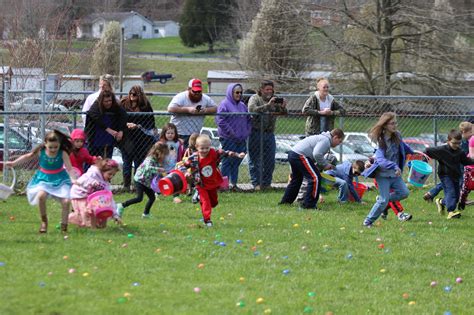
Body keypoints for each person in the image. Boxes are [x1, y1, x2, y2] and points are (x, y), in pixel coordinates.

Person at [4, 130, 77, 233]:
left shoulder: (62, 153)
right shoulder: (41, 151)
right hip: (44, 178)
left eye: (56, 147)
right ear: (45, 144)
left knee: (66, 202)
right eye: (50, 147)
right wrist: (14, 163)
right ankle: (44, 222)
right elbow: (27, 156)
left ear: (59, 144)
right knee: (41, 196)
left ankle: (64, 226)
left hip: (59, 178)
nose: (53, 149)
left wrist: (73, 179)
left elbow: (69, 168)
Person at [361, 112, 415, 227]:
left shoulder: (397, 135)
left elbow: (403, 146)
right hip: (383, 174)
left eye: (396, 123)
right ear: (385, 125)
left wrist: (413, 152)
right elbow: (380, 159)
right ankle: (368, 221)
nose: (395, 126)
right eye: (392, 123)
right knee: (384, 200)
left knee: (404, 193)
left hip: (395, 175)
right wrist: (394, 166)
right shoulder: (381, 140)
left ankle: (382, 200)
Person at [179, 135, 245, 227]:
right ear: (197, 147)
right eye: (202, 148)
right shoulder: (194, 158)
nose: (205, 150)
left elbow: (225, 152)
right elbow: (182, 165)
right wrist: (186, 172)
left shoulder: (213, 153)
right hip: (201, 184)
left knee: (214, 202)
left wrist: (238, 155)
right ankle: (207, 220)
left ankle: (200, 198)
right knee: (206, 202)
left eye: (207, 148)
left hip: (213, 183)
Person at [279, 128, 344, 209]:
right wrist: (325, 165)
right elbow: (316, 154)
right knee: (315, 178)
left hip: (293, 154)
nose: (339, 144)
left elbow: (314, 155)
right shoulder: (326, 140)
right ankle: (309, 205)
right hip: (300, 155)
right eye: (340, 141)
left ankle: (286, 202)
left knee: (297, 179)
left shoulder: (323, 138)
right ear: (335, 137)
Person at [248, 80, 288, 191]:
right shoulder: (255, 98)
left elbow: (284, 113)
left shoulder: (275, 99)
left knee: (270, 160)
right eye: (267, 89)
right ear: (261, 90)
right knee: (255, 159)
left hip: (269, 133)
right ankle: (256, 184)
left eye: (271, 89)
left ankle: (267, 183)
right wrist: (267, 105)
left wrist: (283, 107)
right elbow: (252, 110)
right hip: (256, 132)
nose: (269, 91)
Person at [425, 129, 474, 219]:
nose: (457, 145)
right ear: (448, 141)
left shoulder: (460, 152)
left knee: (456, 197)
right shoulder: (442, 150)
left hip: (456, 175)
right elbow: (427, 151)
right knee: (450, 193)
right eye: (454, 143)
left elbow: (466, 161)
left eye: (459, 143)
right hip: (445, 175)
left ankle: (441, 202)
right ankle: (451, 212)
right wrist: (424, 160)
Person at [117, 142, 169, 219]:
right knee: (139, 198)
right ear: (158, 152)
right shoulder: (150, 159)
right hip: (139, 180)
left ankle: (146, 214)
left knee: (152, 198)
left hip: (146, 182)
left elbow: (158, 172)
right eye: (164, 154)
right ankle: (121, 205)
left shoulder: (157, 161)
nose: (164, 156)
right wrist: (159, 169)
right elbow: (148, 168)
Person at [423, 121, 472, 202]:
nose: (472, 133)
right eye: (470, 132)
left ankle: (431, 193)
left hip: (458, 164)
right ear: (464, 132)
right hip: (457, 165)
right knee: (459, 181)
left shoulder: (465, 141)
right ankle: (460, 198)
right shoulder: (461, 142)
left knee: (450, 182)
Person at [215, 83, 251, 191]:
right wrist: (231, 132)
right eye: (237, 92)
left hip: (241, 138)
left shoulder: (242, 105)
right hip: (228, 138)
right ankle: (223, 185)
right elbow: (220, 120)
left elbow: (248, 119)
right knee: (228, 161)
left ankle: (234, 184)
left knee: (237, 161)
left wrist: (246, 131)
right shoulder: (224, 104)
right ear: (231, 92)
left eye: (240, 92)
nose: (239, 94)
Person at [120, 85, 156, 191]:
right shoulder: (123, 103)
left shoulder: (145, 106)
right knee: (126, 162)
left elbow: (150, 122)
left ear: (139, 95)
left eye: (134, 94)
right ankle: (126, 186)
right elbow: (118, 118)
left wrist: (138, 125)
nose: (132, 96)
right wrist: (126, 124)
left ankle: (137, 186)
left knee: (138, 163)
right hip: (127, 138)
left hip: (141, 139)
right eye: (130, 93)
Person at [69, 159, 120, 228]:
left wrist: (115, 215)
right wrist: (92, 182)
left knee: (94, 210)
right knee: (85, 212)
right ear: (102, 171)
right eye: (109, 174)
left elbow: (110, 199)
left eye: (113, 175)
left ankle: (95, 225)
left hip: (90, 196)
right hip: (79, 194)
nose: (111, 176)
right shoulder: (93, 173)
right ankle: (73, 218)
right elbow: (81, 181)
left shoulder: (105, 184)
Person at [167, 78, 217, 147]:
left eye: (199, 91)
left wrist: (205, 110)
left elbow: (215, 108)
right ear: (189, 89)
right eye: (194, 91)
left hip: (195, 135)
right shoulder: (181, 97)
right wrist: (187, 110)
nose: (197, 94)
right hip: (179, 133)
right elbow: (170, 108)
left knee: (192, 156)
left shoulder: (205, 98)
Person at [85, 91, 128, 158]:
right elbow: (93, 115)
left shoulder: (114, 105)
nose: (108, 103)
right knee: (94, 159)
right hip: (96, 137)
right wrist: (108, 129)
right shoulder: (96, 105)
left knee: (107, 158)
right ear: (101, 101)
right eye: (106, 101)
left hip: (109, 139)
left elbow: (123, 115)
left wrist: (121, 130)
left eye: (110, 100)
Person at [158, 123, 185, 203]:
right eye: (168, 133)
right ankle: (157, 194)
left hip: (174, 167)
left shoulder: (177, 143)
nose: (170, 135)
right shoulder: (162, 143)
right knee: (161, 181)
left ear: (175, 134)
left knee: (175, 182)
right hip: (163, 167)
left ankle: (175, 197)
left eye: (172, 133)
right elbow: (157, 154)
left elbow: (181, 153)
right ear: (164, 133)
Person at [459, 123, 474, 210]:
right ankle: (462, 202)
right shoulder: (472, 139)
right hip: (470, 167)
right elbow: (472, 155)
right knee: (466, 187)